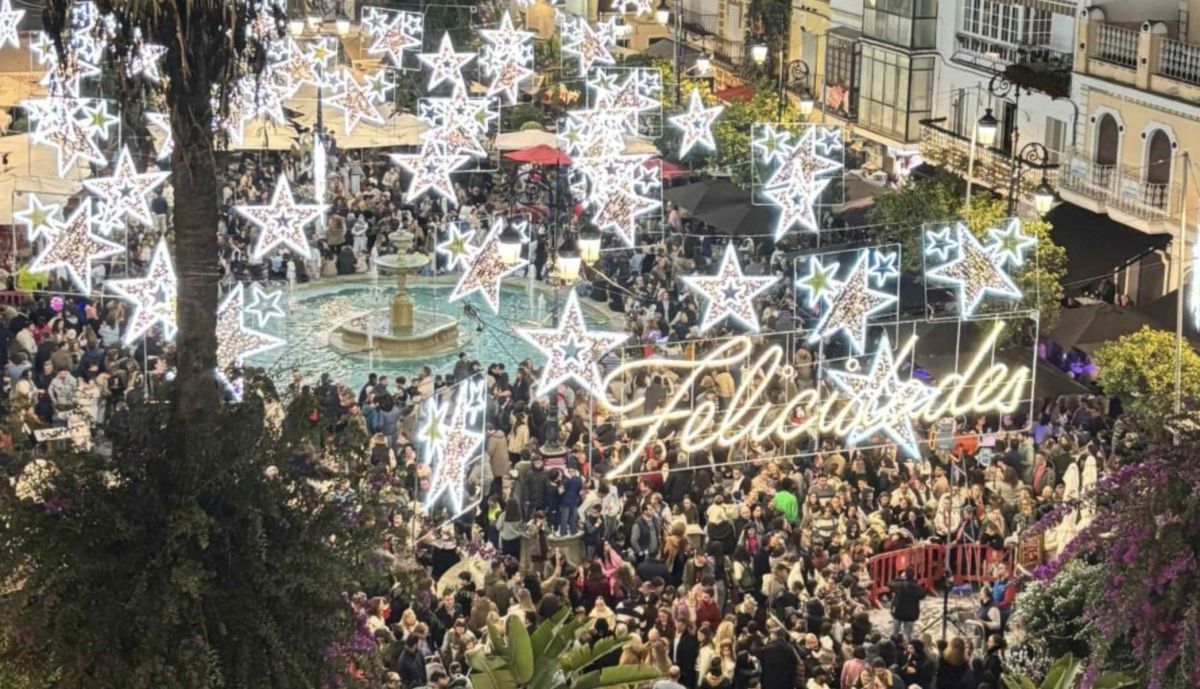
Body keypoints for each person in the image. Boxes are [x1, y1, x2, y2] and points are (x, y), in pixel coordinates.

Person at [887, 567, 923, 640]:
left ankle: (893, 645)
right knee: (908, 634)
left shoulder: (899, 585)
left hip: (898, 612)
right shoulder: (917, 587)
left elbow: (889, 583)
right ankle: (908, 647)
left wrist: (900, 578)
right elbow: (922, 595)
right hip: (910, 614)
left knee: (895, 631)